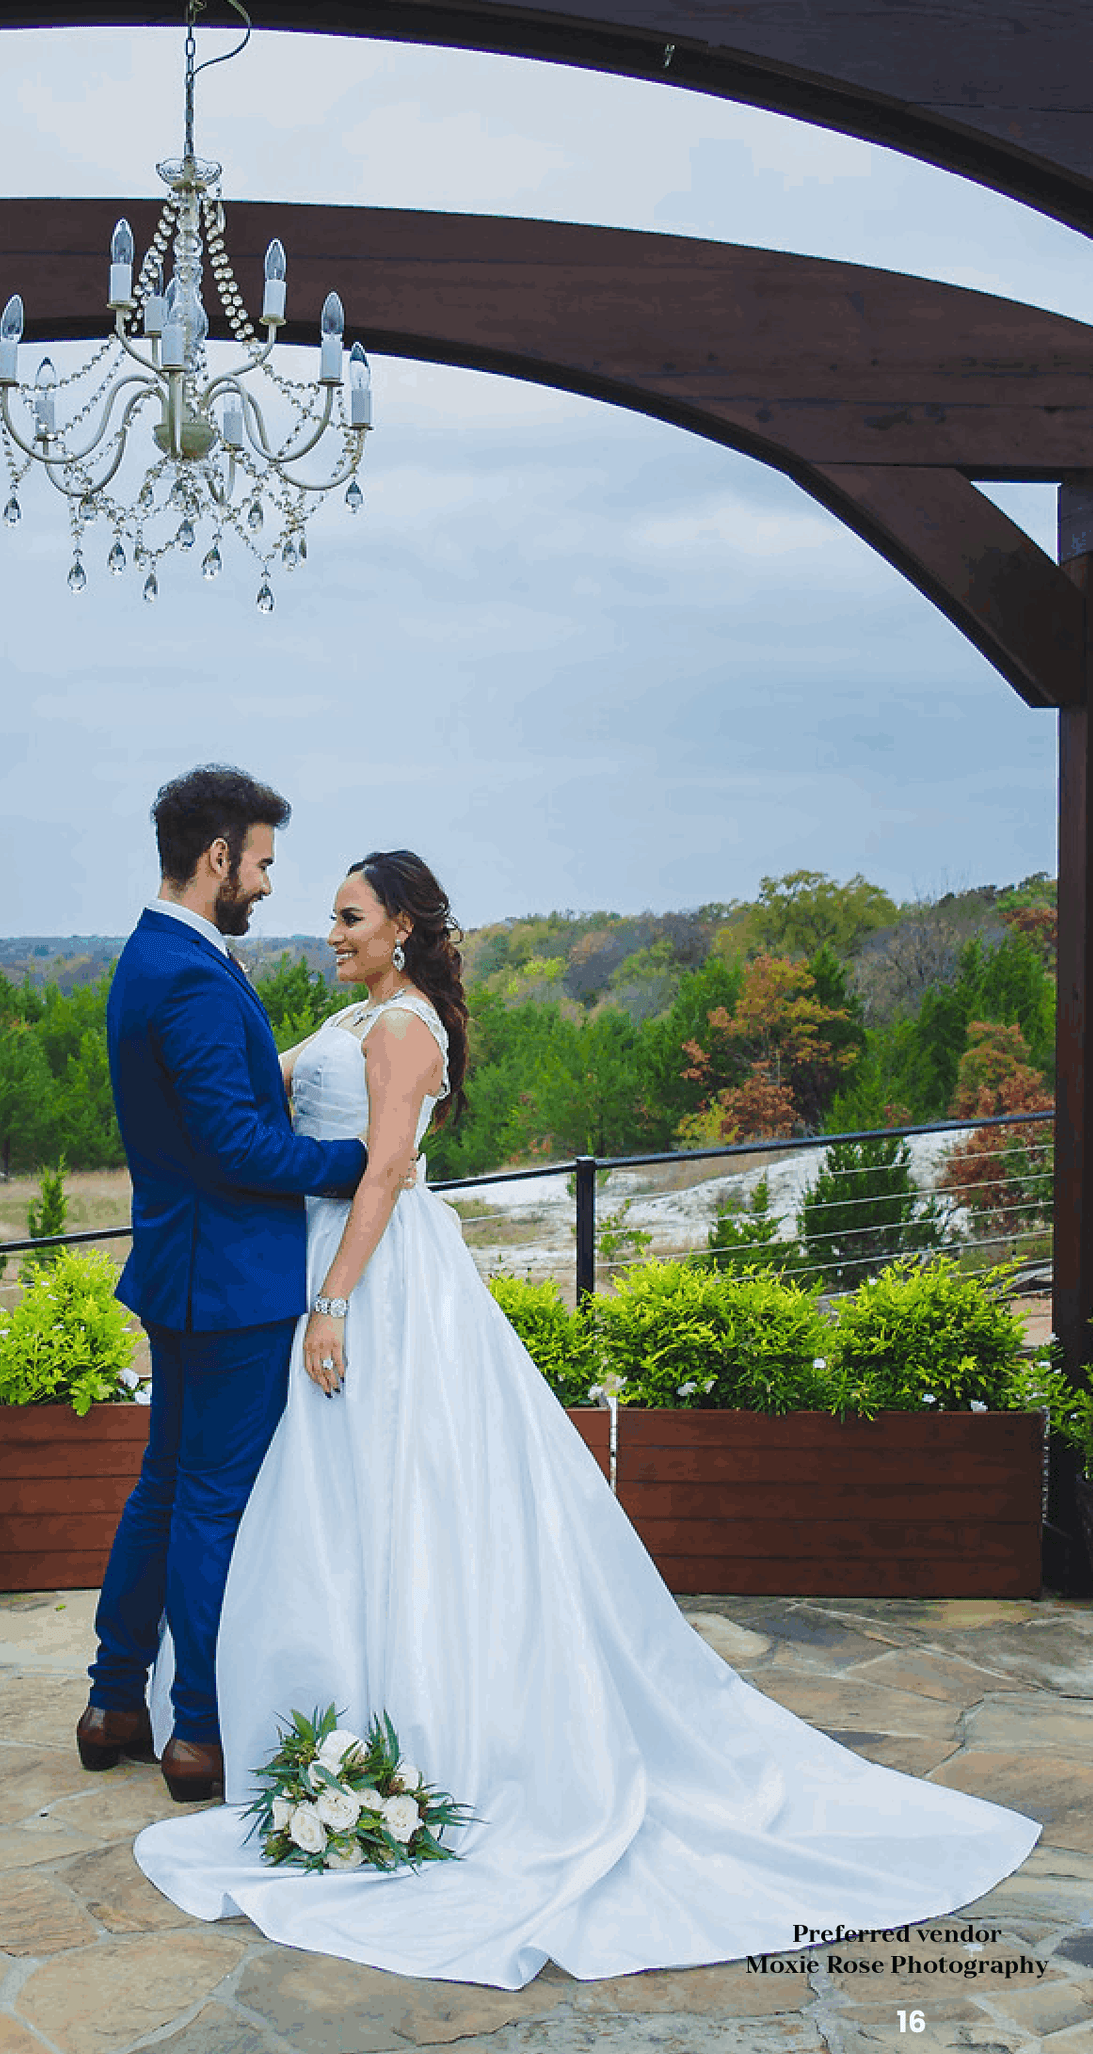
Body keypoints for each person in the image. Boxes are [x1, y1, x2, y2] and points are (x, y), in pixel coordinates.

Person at [132, 849, 1040, 1987]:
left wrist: (331, 1305)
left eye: (351, 916)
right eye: (329, 913)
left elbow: (379, 1174)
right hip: (323, 1262)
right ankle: (334, 1708)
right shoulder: (354, 1017)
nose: (332, 928)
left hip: (373, 1281)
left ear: (403, 926)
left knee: (408, 1491)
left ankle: (424, 1725)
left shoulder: (404, 1029)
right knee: (328, 1500)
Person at [76, 766, 368, 1803]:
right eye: (262, 864)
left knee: (164, 1485)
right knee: (209, 1501)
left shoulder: (153, 955)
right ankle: (195, 1728)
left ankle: (115, 1700)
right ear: (216, 859)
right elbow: (238, 1146)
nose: (266, 885)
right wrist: (360, 1164)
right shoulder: (194, 976)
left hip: (183, 1270)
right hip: (229, 1284)